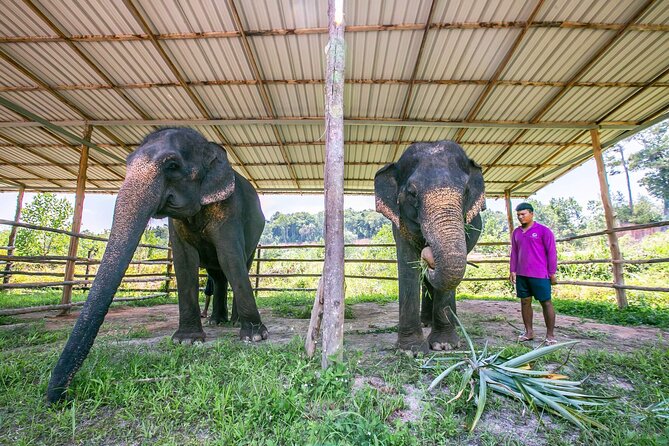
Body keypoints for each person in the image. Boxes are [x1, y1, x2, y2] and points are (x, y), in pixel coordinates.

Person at [509, 202, 558, 345]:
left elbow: (552, 252)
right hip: (522, 274)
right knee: (525, 302)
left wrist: (552, 272)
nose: (520, 217)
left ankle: (550, 335)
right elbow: (514, 252)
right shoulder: (517, 232)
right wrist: (513, 270)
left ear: (531, 214)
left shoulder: (543, 231)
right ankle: (528, 332)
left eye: (523, 214)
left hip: (540, 274)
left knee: (546, 303)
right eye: (518, 215)